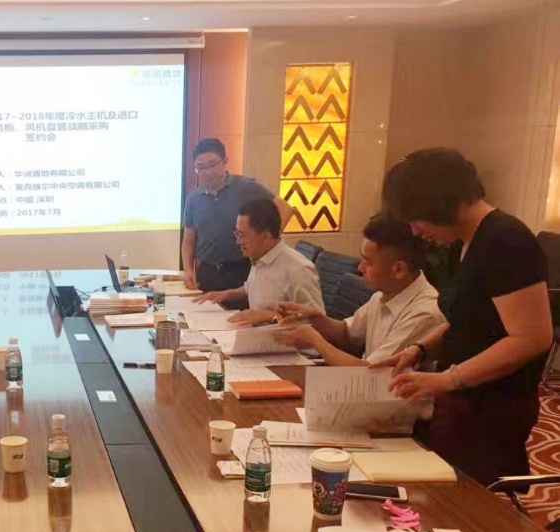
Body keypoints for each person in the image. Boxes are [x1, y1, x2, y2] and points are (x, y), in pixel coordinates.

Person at [378, 149, 552, 485]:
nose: (415, 230)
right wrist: (419, 350)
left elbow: (532, 337)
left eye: (417, 218)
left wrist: (448, 380)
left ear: (439, 203)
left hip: (493, 404)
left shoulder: (505, 240)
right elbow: (467, 319)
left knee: (470, 503)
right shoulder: (468, 240)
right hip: (464, 399)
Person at [274, 215, 446, 365]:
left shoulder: (424, 313)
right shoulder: (383, 295)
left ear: (399, 269)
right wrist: (315, 320)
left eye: (368, 262)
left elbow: (370, 374)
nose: (360, 267)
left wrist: (314, 340)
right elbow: (347, 333)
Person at [193, 198, 324, 326]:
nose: (238, 241)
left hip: (281, 340)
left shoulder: (299, 269)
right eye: (237, 234)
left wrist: (268, 316)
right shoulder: (260, 256)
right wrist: (226, 294)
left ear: (266, 236)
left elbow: (319, 323)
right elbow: (251, 288)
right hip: (256, 333)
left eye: (242, 235)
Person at [181, 138, 291, 293]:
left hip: (241, 270)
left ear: (225, 162)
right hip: (207, 273)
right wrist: (188, 271)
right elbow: (188, 241)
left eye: (212, 164)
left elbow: (284, 208)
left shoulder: (246, 187)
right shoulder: (193, 199)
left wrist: (268, 240)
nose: (207, 172)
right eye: (201, 167)